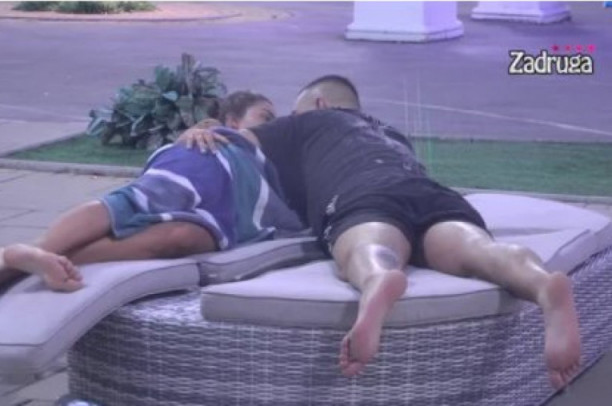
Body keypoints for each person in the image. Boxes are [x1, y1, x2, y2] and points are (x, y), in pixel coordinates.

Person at [179, 75, 581, 389]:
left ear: (318, 103)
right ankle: (542, 284)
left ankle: (377, 278)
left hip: (361, 193)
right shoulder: (391, 133)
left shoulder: (307, 123)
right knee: (475, 248)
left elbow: (234, 142)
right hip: (429, 191)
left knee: (369, 244)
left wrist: (203, 127)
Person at [0, 91, 302, 291]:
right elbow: (210, 129)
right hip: (210, 161)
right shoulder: (216, 138)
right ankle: (38, 250)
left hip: (236, 209)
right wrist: (205, 129)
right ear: (233, 122)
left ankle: (29, 263)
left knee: (181, 238)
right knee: (139, 201)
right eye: (266, 116)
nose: (273, 124)